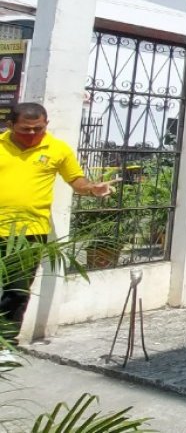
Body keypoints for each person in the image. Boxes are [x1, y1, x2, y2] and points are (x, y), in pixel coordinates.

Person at [0, 102, 117, 341]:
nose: (32, 133)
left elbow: (76, 180)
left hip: (28, 233)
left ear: (46, 124)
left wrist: (92, 189)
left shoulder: (57, 149)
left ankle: (4, 344)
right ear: (10, 125)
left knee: (17, 291)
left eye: (38, 128)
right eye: (25, 129)